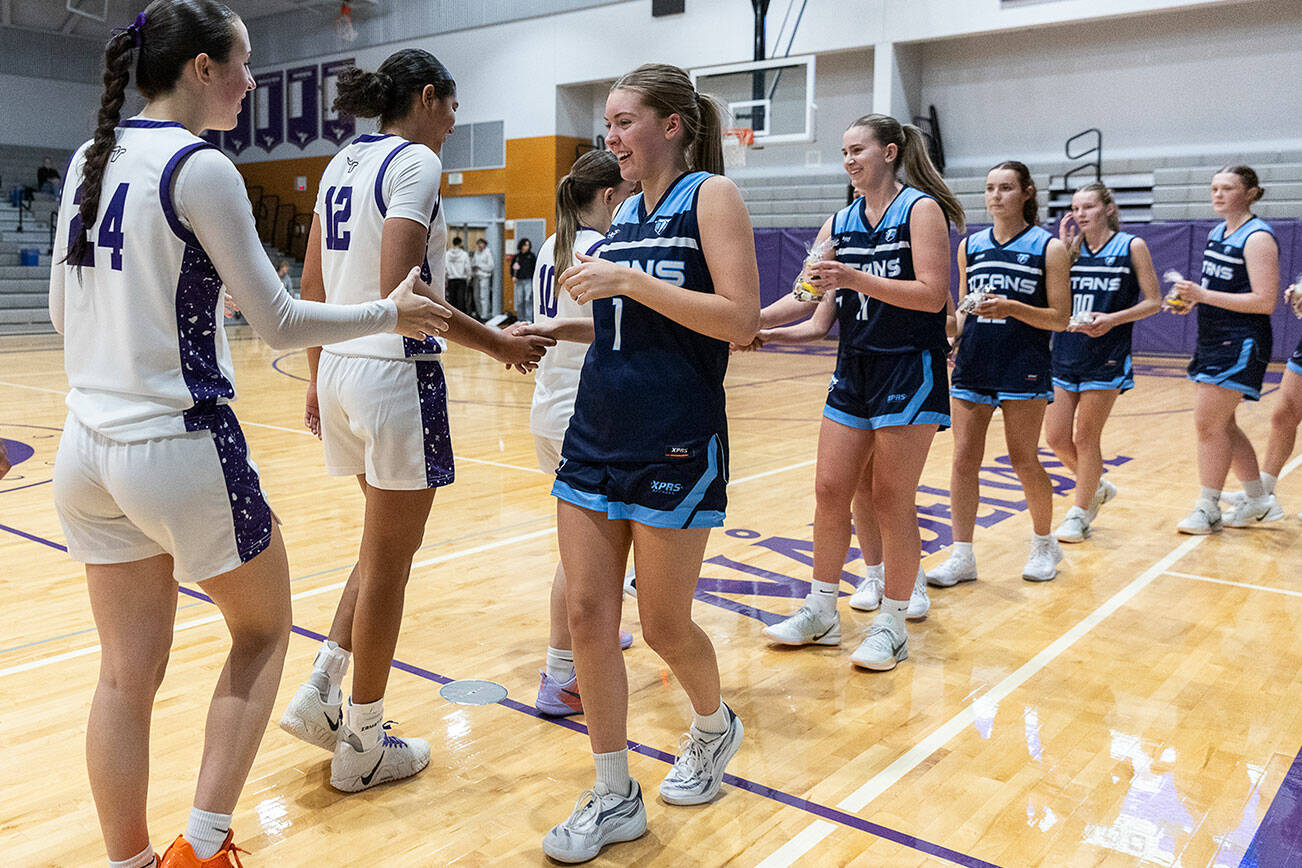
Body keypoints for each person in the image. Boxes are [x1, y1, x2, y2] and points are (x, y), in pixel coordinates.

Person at [47, 4, 449, 866]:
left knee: (123, 676)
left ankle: (129, 860)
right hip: (178, 445)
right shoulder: (200, 168)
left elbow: (59, 310)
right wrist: (390, 308)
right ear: (200, 68)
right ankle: (202, 846)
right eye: (243, 62)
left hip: (83, 450)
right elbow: (277, 323)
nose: (252, 79)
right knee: (265, 634)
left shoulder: (90, 156)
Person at [276, 48, 553, 794]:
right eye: (453, 107)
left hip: (338, 368)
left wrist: (314, 379)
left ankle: (321, 692)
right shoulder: (416, 163)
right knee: (392, 566)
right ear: (428, 97)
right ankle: (363, 740)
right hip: (394, 376)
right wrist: (497, 342)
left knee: (377, 546)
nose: (454, 123)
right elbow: (401, 292)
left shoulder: (340, 163)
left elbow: (308, 285)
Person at [540, 63, 759, 863]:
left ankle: (713, 725)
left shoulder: (711, 198)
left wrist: (627, 277)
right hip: (597, 428)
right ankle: (613, 791)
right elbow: (630, 327)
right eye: (607, 121)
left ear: (673, 124)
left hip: (677, 431)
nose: (612, 135)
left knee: (663, 624)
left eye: (626, 120)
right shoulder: (624, 208)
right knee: (590, 615)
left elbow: (738, 320)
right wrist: (559, 332)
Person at [748, 114, 964, 671]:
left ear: (890, 152)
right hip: (854, 369)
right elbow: (811, 307)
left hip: (908, 368)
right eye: (843, 152)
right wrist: (753, 325)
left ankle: (892, 623)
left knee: (892, 497)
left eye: (857, 150)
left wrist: (856, 280)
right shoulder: (836, 224)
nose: (848, 160)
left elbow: (932, 295)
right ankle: (821, 609)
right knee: (829, 488)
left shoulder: (920, 210)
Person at [507, 149, 637, 717]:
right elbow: (607, 327)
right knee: (584, 556)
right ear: (610, 196)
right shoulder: (601, 250)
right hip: (584, 410)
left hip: (551, 406)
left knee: (588, 549)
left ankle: (591, 642)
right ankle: (562, 672)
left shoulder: (552, 247)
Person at [927, 161, 1071, 586]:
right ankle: (963, 555)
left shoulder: (1050, 248)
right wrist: (948, 331)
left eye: (1005, 188)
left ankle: (1044, 543)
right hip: (974, 360)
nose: (995, 196)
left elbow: (1060, 319)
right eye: (990, 188)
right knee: (963, 459)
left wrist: (1012, 307)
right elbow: (964, 311)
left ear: (1026, 192)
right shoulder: (969, 246)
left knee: (1022, 459)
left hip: (1022, 364)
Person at [1044, 183, 1161, 542]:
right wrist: (1060, 253)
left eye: (1089, 207)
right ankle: (1095, 485)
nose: (1081, 214)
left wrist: (1112, 319)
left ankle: (1080, 514)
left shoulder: (1131, 246)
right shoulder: (1070, 250)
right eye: (1076, 208)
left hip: (1106, 356)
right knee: (1056, 437)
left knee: (1085, 436)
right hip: (1064, 352)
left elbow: (1154, 301)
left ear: (1108, 208)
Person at [1170, 165, 1280, 532]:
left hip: (1242, 340)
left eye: (1227, 188)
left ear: (1250, 193)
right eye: (1214, 187)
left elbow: (1265, 301)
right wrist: (1192, 300)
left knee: (1207, 424)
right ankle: (1258, 500)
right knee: (1224, 425)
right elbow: (1218, 289)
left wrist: (1203, 295)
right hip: (1213, 336)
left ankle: (1208, 507)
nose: (1218, 194)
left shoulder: (1257, 237)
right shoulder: (1218, 232)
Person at [511, 236, 537, 322]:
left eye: (528, 245)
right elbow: (513, 268)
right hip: (519, 280)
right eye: (525, 245)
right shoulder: (517, 257)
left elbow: (535, 268)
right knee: (519, 300)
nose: (527, 247)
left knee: (528, 299)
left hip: (528, 280)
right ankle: (520, 318)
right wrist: (513, 276)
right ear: (521, 246)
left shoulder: (531, 256)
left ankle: (528, 319)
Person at [444, 235, 472, 316]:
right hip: (461, 279)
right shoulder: (464, 254)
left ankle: (452, 318)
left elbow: (445, 268)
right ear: (460, 243)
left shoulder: (447, 254)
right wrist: (469, 278)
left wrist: (445, 279)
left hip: (451, 279)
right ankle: (462, 318)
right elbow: (467, 267)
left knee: (452, 300)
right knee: (461, 300)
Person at [471, 236, 495, 319]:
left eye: (481, 244)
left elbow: (491, 267)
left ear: (484, 244)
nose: (480, 245)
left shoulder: (488, 253)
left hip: (484, 277)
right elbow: (473, 263)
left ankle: (484, 315)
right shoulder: (476, 253)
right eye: (479, 244)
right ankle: (479, 313)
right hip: (476, 276)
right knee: (476, 296)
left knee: (483, 297)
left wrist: (480, 266)